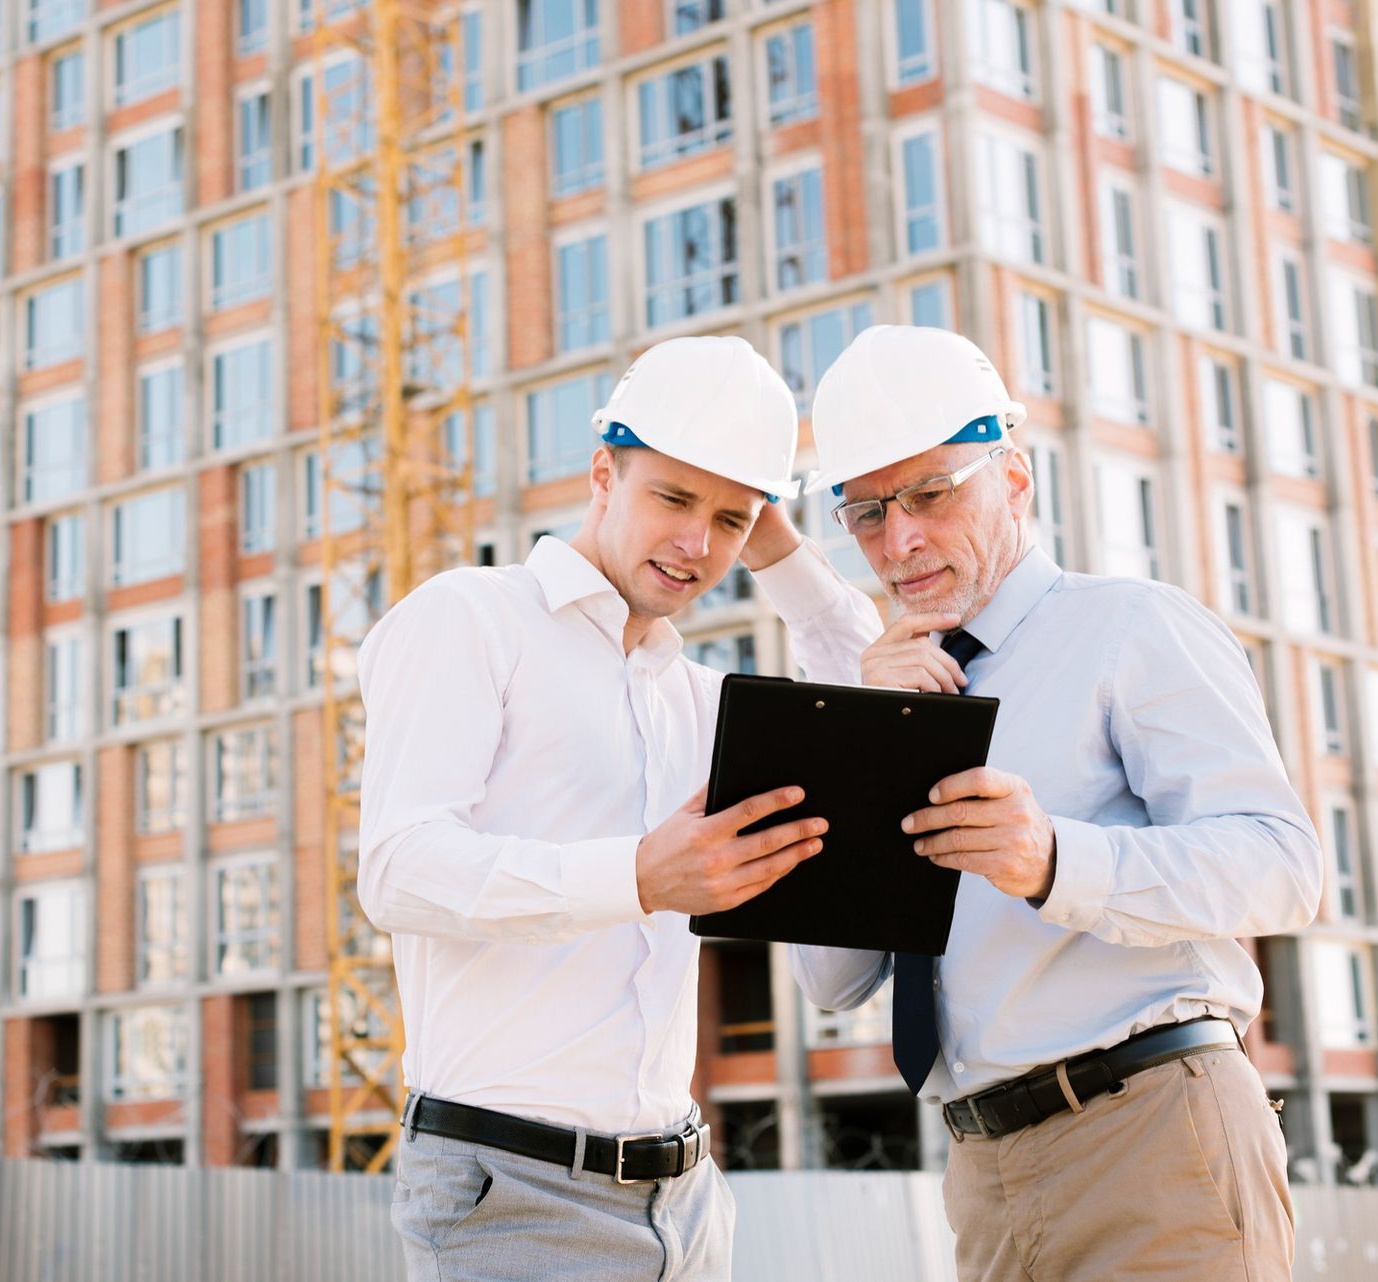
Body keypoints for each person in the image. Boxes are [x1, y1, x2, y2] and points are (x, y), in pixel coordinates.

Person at [788, 325, 1322, 1282]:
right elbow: (835, 984)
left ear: (1016, 479)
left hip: (1153, 1141)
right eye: (866, 513)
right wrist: (856, 754)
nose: (899, 540)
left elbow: (1282, 870)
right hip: (982, 1171)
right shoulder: (890, 690)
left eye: (931, 494)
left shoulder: (1128, 627)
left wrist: (1052, 862)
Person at [358, 335, 881, 1281]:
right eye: (672, 498)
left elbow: (878, 715)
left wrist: (780, 546)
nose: (697, 544)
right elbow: (398, 870)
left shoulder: (698, 700)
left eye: (729, 520)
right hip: (510, 1196)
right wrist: (637, 876)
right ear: (603, 472)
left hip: (686, 1204)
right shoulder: (471, 618)